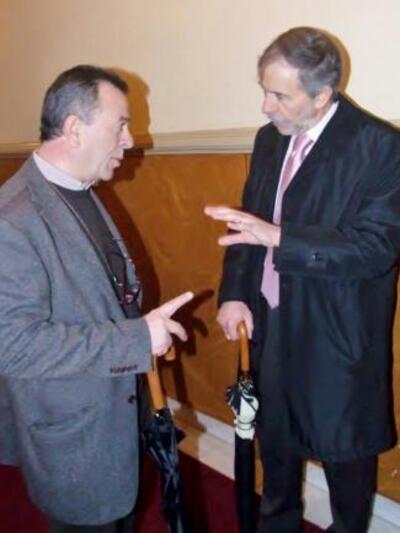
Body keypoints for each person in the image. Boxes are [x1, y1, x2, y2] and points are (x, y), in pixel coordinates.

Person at [205, 27, 400, 533]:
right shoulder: (269, 139)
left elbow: (375, 250)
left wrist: (280, 238)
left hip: (335, 333)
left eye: (279, 95)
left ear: (322, 95)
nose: (265, 106)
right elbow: (248, 223)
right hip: (270, 324)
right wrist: (234, 295)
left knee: (345, 464)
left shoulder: (380, 146)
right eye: (263, 90)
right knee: (276, 453)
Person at [0, 65, 193, 532]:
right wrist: (135, 339)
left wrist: (145, 331)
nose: (130, 140)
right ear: (74, 129)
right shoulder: (12, 218)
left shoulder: (79, 186)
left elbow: (101, 295)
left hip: (115, 415)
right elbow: (14, 346)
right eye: (120, 125)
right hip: (75, 436)